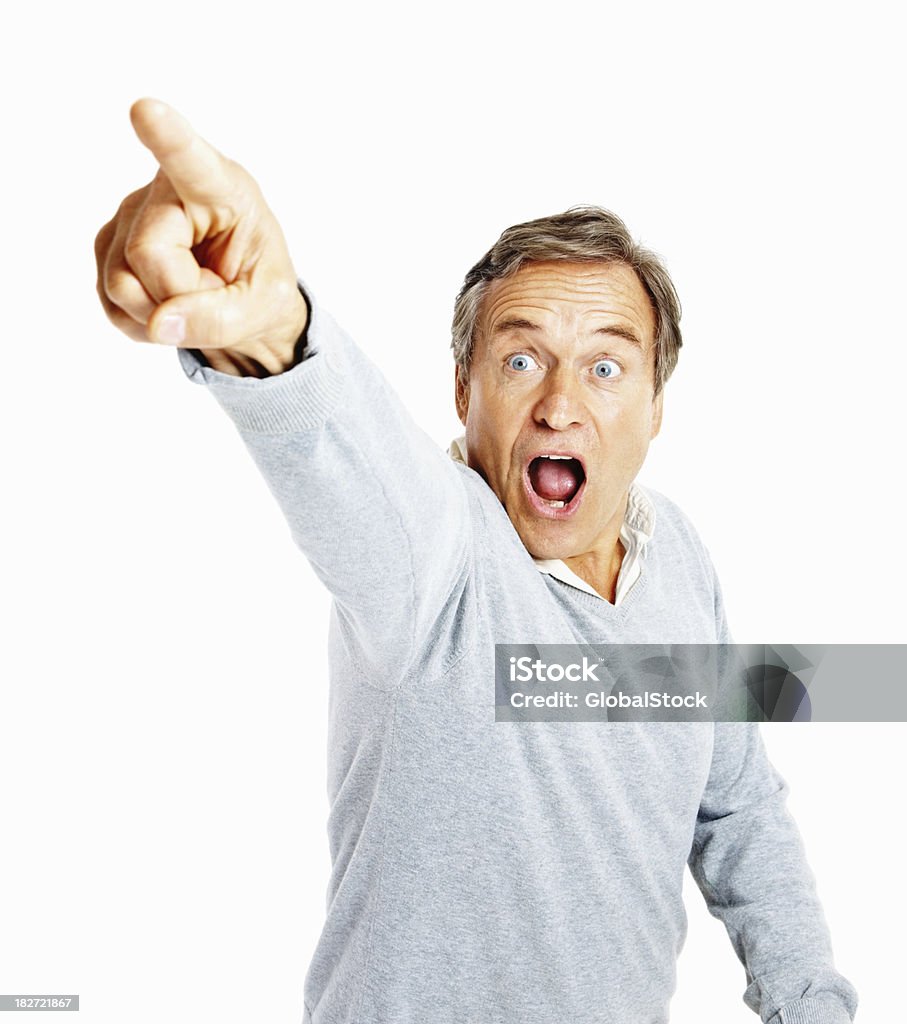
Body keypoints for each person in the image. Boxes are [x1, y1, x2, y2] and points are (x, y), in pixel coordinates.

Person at [95, 99, 859, 1024]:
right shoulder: (436, 558)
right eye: (520, 361)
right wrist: (267, 334)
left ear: (658, 405)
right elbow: (350, 455)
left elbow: (734, 807)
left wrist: (809, 1002)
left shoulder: (680, 558)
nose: (561, 406)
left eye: (607, 367)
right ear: (463, 390)